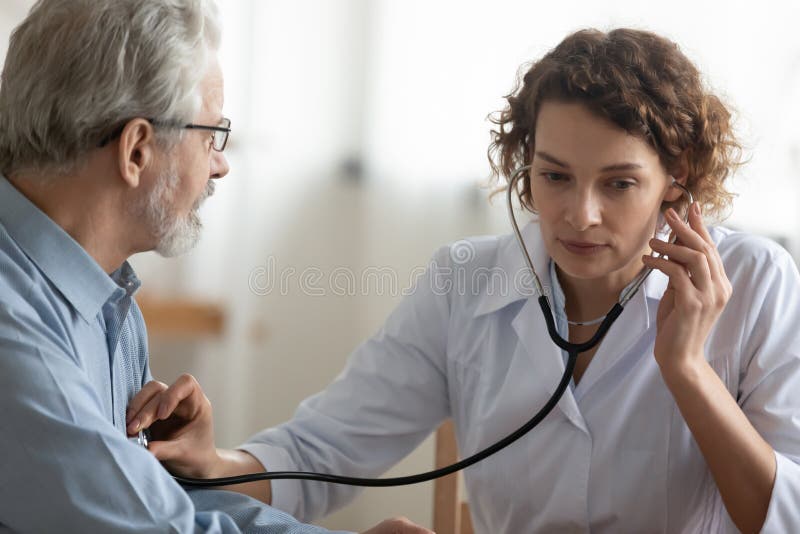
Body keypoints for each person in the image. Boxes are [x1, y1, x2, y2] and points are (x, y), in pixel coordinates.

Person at [128, 28, 800, 533]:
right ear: (522, 162)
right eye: (555, 175)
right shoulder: (464, 282)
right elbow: (321, 453)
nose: (579, 215)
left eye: (620, 184)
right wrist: (212, 465)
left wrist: (688, 370)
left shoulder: (758, 282)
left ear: (676, 177)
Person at [0, 1, 432, 533]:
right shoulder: (13, 329)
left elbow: (157, 504)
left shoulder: (108, 304)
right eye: (212, 135)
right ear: (136, 150)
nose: (220, 164)